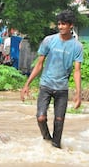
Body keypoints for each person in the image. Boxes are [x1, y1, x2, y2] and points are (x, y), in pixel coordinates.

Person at [21, 10, 83, 149]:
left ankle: (55, 148)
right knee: (40, 117)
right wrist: (27, 84)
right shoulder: (49, 40)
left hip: (62, 88)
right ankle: (47, 139)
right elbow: (39, 64)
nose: (60, 27)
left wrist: (78, 94)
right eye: (59, 24)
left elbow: (77, 71)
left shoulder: (77, 46)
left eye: (64, 24)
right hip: (46, 85)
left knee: (59, 120)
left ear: (71, 25)